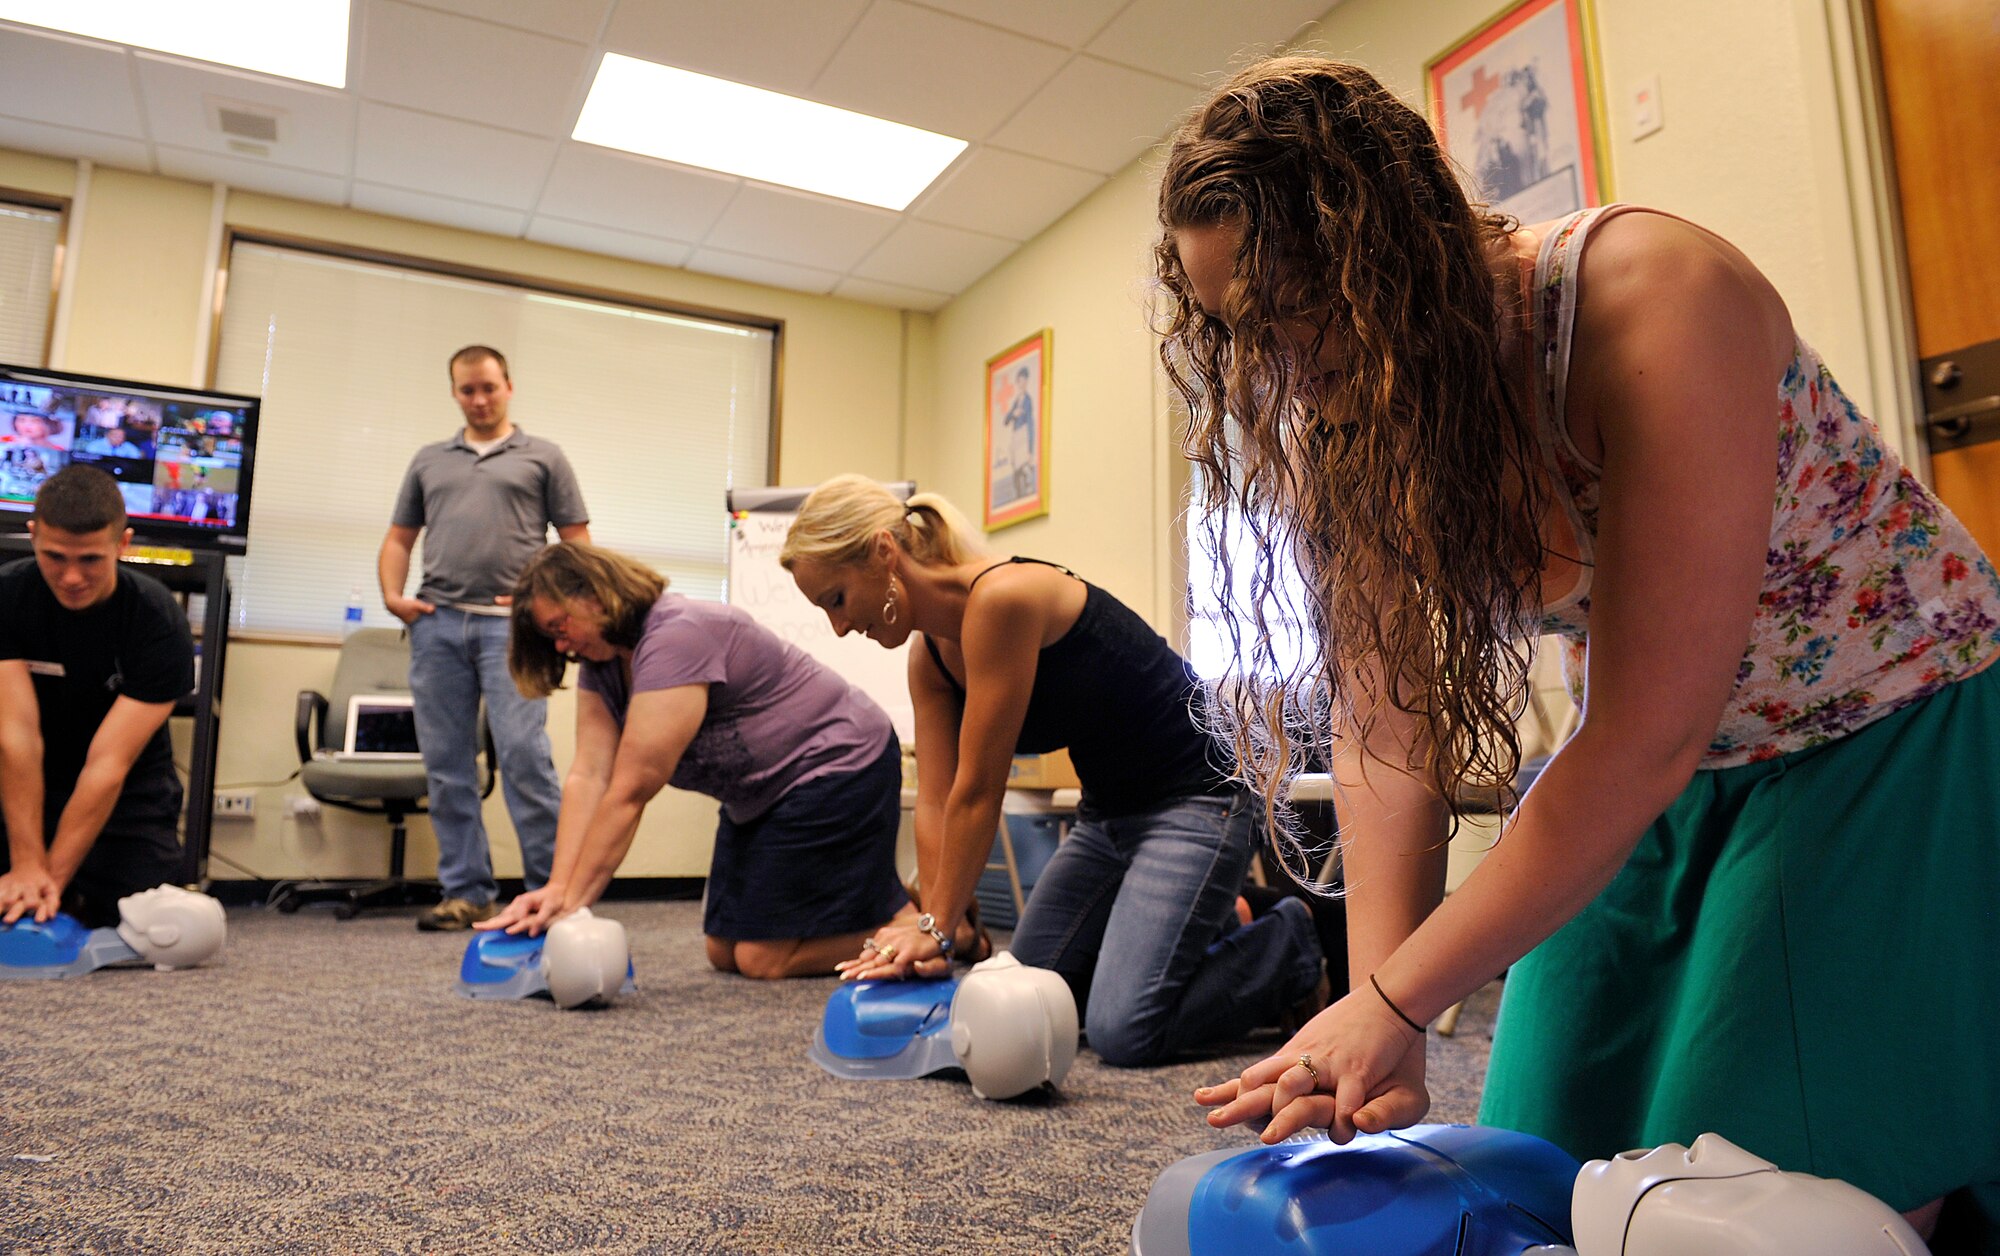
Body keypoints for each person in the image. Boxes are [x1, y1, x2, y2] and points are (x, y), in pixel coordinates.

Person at [1153, 56, 2000, 1244]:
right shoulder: (1337, 415)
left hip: (1890, 729)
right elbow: (1386, 733)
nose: (1283, 371)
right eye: (1242, 328)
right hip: (1668, 767)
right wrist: (1380, 1013)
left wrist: (1400, 996)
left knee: (1752, 1196)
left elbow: (1640, 733)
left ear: (1410, 247)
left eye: (1307, 309)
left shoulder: (1651, 296)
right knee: (1546, 1155)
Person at [782, 476, 1325, 1067]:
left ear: (885, 553)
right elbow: (936, 800)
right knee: (1029, 995)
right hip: (1107, 818)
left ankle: (1289, 945)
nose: (839, 627)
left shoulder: (1002, 599)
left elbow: (978, 792)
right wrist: (941, 928)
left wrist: (932, 927)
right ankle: (1221, 915)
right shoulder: (931, 655)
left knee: (1121, 1031)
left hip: (1199, 797)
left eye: (836, 599)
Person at [480, 541, 954, 979]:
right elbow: (588, 777)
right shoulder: (603, 666)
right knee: (722, 950)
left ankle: (930, 933)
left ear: (594, 596)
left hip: (836, 764)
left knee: (761, 958)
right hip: (759, 797)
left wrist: (572, 911)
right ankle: (892, 910)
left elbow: (630, 790)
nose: (561, 647)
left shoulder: (676, 635)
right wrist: (557, 888)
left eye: (559, 628)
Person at [381, 345, 591, 931]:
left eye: (489, 389)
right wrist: (395, 598)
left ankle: (553, 893)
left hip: (513, 631)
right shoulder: (430, 460)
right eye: (467, 390)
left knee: (526, 758)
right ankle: (466, 891)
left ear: (509, 386)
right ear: (455, 392)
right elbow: (399, 538)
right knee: (447, 764)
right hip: (438, 625)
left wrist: (553, 604)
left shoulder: (543, 457)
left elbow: (576, 542)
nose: (479, 400)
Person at [0, 466, 194, 927]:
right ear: (32, 536)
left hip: (126, 797)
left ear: (122, 544)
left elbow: (108, 765)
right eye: (54, 557)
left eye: (89, 560)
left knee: (154, 923)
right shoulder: (6, 596)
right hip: (20, 780)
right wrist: (26, 862)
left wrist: (50, 882)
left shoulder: (157, 621)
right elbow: (16, 736)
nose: (70, 577)